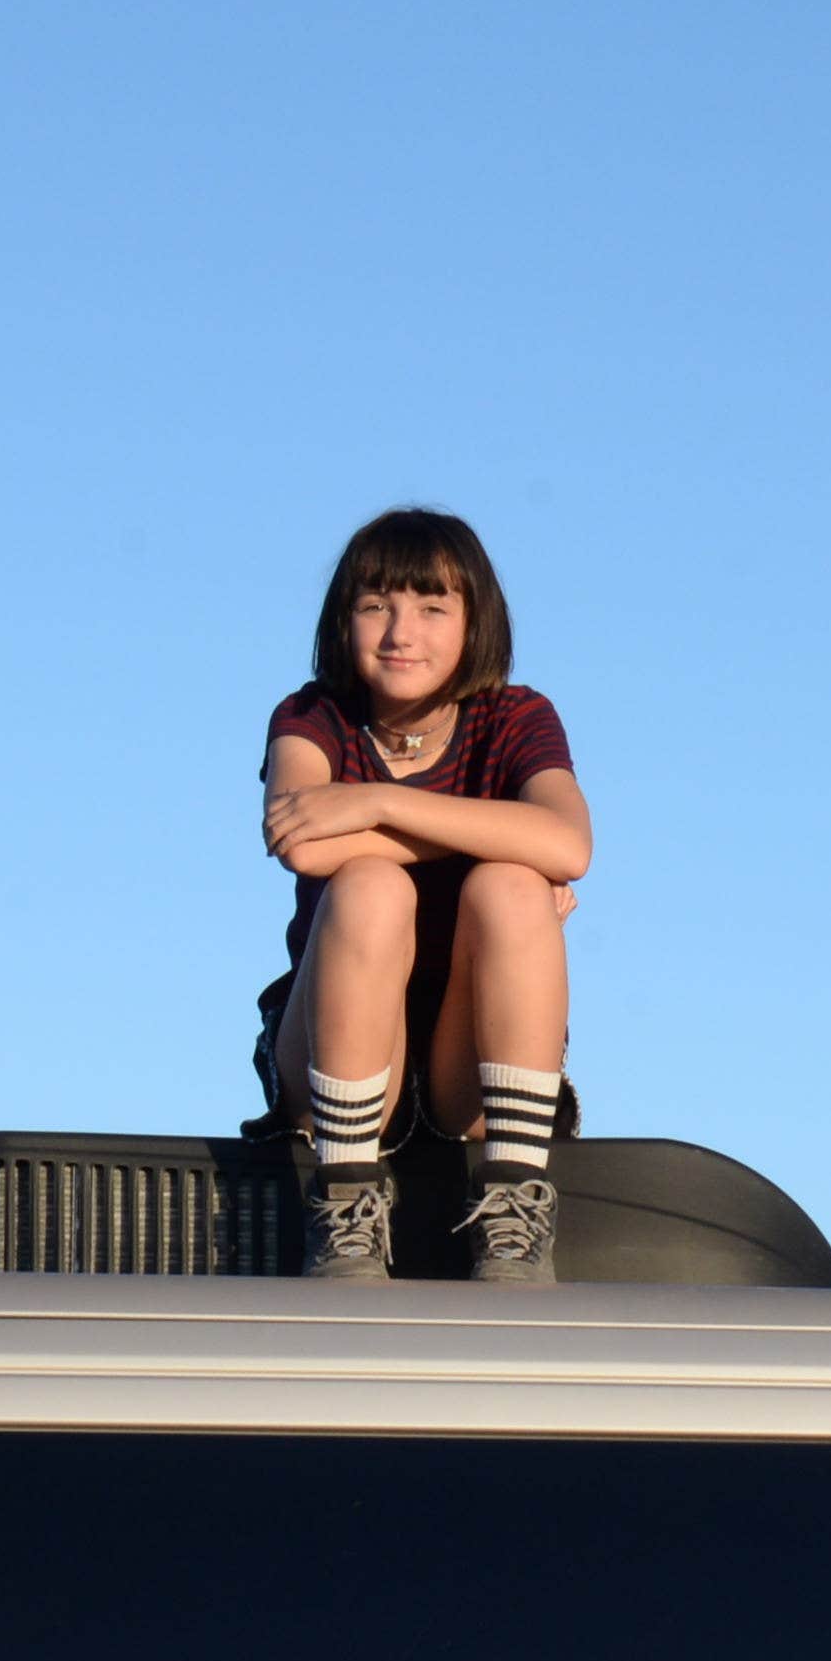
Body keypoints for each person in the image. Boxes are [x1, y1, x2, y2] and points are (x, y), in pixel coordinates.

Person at [260, 506, 592, 1283]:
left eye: (432, 608)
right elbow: (304, 842)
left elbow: (569, 843)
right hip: (332, 1051)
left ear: (475, 621)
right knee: (372, 886)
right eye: (376, 606)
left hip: (467, 1056)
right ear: (343, 619)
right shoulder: (313, 716)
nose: (399, 632)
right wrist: (501, 831)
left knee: (510, 889)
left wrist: (378, 803)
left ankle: (513, 1212)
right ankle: (344, 1212)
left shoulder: (517, 717)